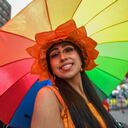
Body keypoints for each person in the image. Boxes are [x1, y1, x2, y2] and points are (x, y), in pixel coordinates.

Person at [27, 20, 127, 128]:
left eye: (68, 49)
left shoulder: (92, 96)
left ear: (82, 57)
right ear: (50, 68)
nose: (63, 57)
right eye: (55, 55)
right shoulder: (48, 96)